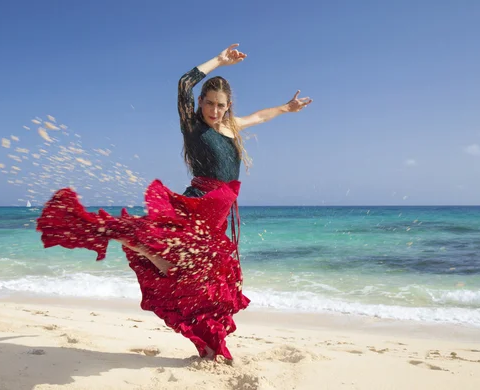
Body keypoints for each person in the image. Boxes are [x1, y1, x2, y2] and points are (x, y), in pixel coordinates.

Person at [35, 43, 312, 361]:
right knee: (173, 259)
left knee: (206, 285)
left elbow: (260, 116)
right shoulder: (193, 127)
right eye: (209, 104)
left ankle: (209, 347)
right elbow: (183, 83)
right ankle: (134, 243)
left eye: (220, 105)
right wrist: (219, 61)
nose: (214, 111)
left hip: (216, 217)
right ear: (200, 103)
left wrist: (285, 109)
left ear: (228, 105)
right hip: (199, 205)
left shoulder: (231, 126)